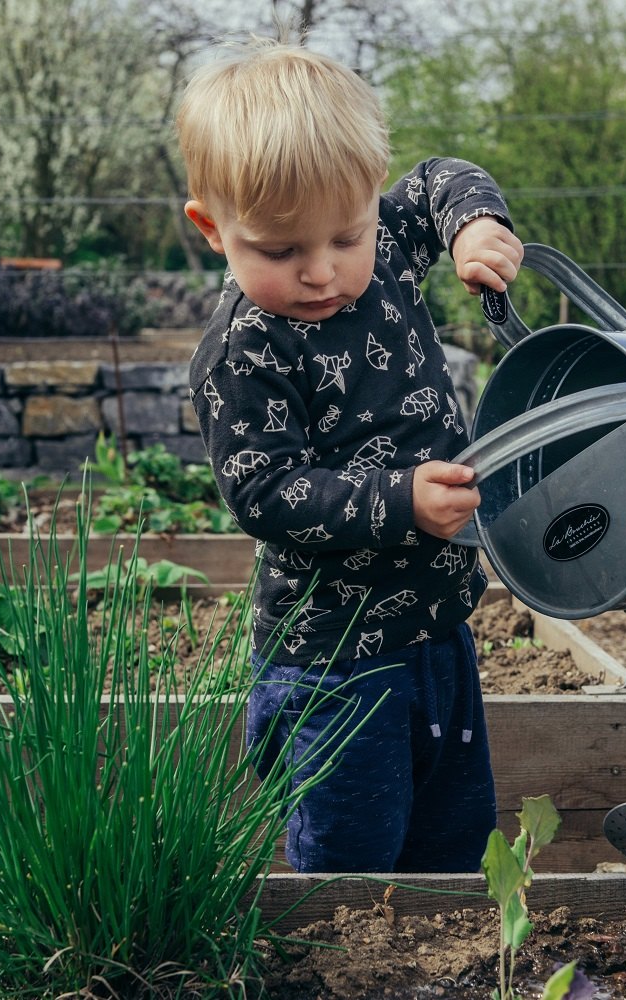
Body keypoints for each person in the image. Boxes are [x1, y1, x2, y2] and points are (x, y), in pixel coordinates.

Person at [176, 40, 523, 873]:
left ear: (371, 200)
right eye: (279, 251)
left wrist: (476, 224)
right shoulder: (245, 352)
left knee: (454, 837)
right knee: (351, 862)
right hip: (334, 664)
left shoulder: (392, 244)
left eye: (346, 234)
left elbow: (442, 175)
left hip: (441, 630)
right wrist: (399, 500)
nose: (322, 271)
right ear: (212, 229)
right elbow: (266, 492)